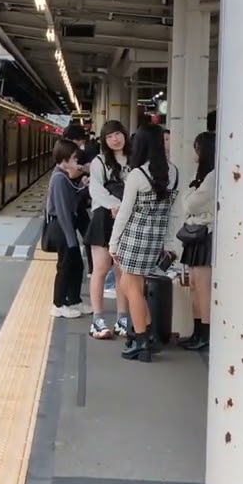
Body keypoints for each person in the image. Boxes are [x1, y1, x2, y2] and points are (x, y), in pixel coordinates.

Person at [108, 124, 177, 362]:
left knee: (130, 287)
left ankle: (141, 342)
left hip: (135, 237)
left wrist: (113, 243)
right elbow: (170, 211)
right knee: (136, 287)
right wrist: (167, 241)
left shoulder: (137, 174)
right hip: (155, 238)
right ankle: (147, 335)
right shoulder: (173, 172)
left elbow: (125, 213)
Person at [85, 120, 131, 339]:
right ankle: (98, 320)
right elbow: (95, 190)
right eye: (110, 136)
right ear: (104, 140)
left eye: (118, 134)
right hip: (105, 217)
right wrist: (117, 205)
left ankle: (123, 319)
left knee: (122, 271)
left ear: (125, 135)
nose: (115, 139)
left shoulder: (135, 160)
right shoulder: (99, 162)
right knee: (101, 269)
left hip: (127, 219)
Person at [176, 132, 216, 351]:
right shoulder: (203, 175)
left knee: (202, 288)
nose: (194, 153)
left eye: (196, 148)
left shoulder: (212, 177)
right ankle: (197, 332)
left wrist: (187, 197)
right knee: (194, 285)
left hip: (205, 235)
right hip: (197, 235)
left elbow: (191, 204)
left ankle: (205, 334)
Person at [47, 139, 86, 318]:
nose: (76, 161)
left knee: (76, 264)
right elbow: (63, 210)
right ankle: (58, 303)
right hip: (62, 226)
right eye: (74, 158)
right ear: (65, 158)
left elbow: (72, 200)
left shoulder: (62, 176)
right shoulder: (59, 179)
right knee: (65, 265)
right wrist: (71, 238)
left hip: (65, 225)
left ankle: (74, 299)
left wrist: (82, 186)